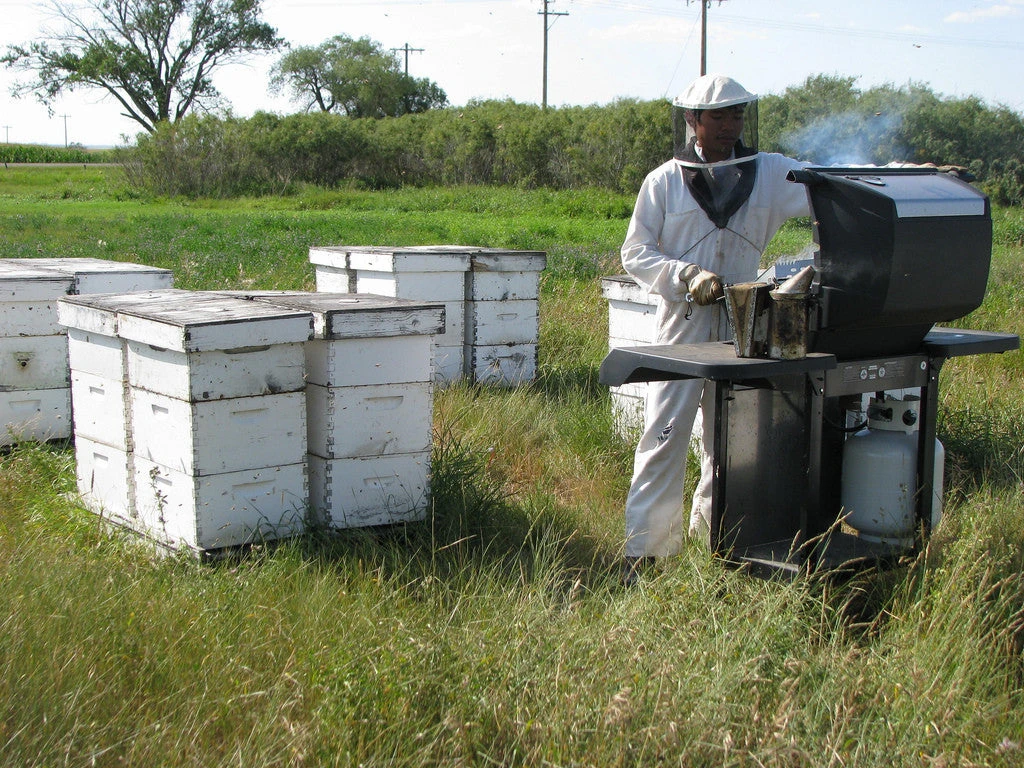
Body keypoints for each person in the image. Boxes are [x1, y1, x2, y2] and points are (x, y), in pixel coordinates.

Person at [619, 73, 811, 579]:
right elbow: (635, 252)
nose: (730, 126)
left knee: (730, 440)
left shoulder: (769, 172)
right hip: (684, 321)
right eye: (719, 116)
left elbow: (827, 186)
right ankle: (647, 553)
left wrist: (905, 173)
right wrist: (683, 275)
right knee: (665, 434)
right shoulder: (662, 181)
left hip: (744, 321)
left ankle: (717, 545)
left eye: (737, 115)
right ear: (692, 121)